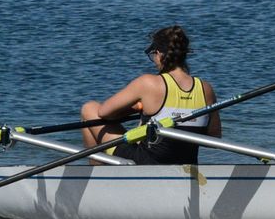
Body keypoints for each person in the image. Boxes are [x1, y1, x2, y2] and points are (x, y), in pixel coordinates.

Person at [80, 25, 221, 165]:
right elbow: (214, 137)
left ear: (159, 54)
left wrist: (134, 108)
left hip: (145, 164)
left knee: (89, 109)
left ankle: (96, 175)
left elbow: (104, 112)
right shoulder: (205, 89)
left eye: (153, 54)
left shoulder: (149, 83)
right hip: (187, 162)